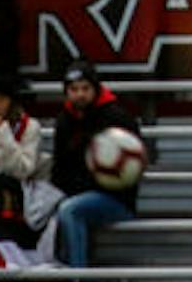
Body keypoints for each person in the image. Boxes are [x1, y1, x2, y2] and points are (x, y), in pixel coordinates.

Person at [49, 60, 144, 267]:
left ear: (96, 89)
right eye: (74, 89)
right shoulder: (64, 121)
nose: (80, 94)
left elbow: (133, 171)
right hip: (75, 195)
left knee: (70, 210)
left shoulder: (117, 117)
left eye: (85, 88)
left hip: (116, 200)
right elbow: (59, 170)